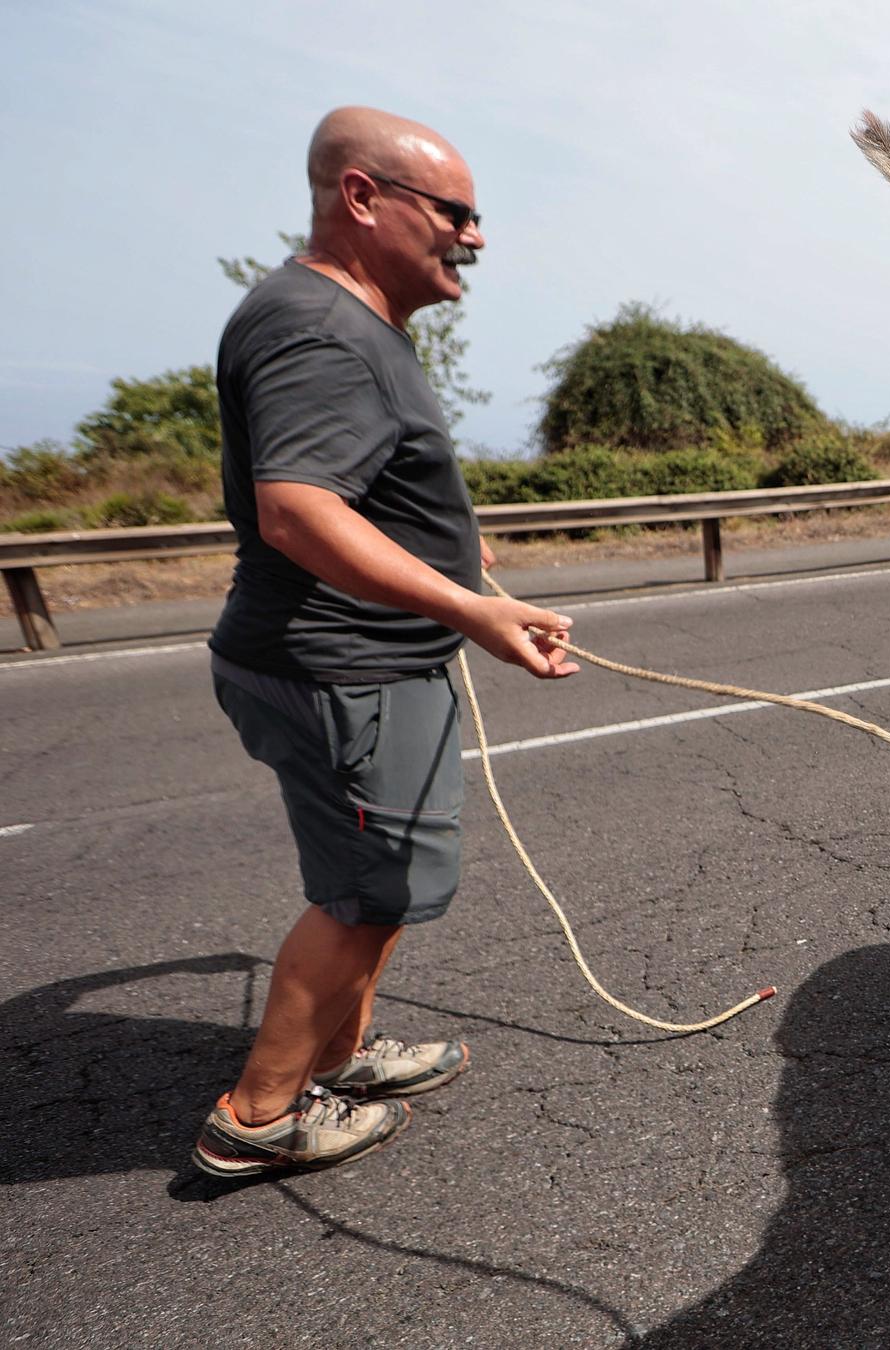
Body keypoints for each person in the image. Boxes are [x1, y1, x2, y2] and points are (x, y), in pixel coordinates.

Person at [193, 107, 580, 1178]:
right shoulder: (321, 327)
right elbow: (298, 511)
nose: (476, 236)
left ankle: (341, 1055)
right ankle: (259, 1117)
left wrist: (452, 551)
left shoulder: (344, 319)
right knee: (366, 891)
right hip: (343, 666)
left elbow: (356, 490)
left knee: (384, 878)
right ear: (363, 198)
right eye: (455, 212)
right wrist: (471, 611)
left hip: (356, 660)